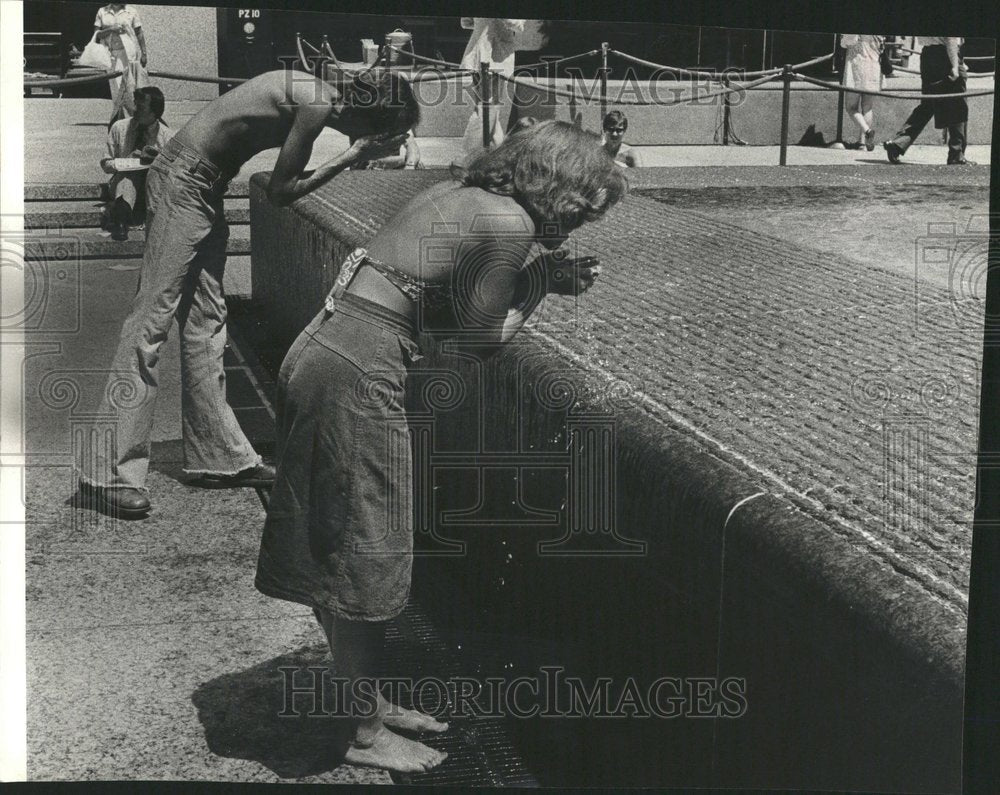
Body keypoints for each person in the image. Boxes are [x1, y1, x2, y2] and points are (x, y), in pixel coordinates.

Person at [255, 120, 626, 772]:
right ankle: (363, 732)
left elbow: (430, 304)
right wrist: (541, 282)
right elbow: (483, 340)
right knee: (370, 553)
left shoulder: (461, 193)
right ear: (566, 189)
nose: (573, 227)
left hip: (321, 345)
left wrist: (535, 274)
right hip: (358, 370)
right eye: (582, 211)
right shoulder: (511, 226)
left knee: (340, 541)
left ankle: (363, 700)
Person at [80, 68, 417, 520]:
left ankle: (219, 458)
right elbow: (281, 191)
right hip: (184, 182)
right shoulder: (315, 104)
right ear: (371, 121)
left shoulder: (318, 95)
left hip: (201, 185)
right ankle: (106, 473)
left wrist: (360, 145)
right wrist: (353, 153)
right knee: (150, 321)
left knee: (206, 320)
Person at [884, 36, 974, 165]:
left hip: (928, 56)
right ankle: (956, 154)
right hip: (946, 56)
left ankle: (898, 144)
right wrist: (955, 65)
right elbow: (950, 39)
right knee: (957, 105)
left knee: (928, 105)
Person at [459, 18, 543, 152]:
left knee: (490, 110)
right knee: (487, 109)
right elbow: (513, 23)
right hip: (494, 56)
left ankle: (501, 154)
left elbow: (466, 22)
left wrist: (486, 25)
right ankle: (466, 157)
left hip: (476, 55)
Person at [101, 86, 172, 241]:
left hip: (152, 187)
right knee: (128, 175)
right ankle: (121, 217)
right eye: (135, 104)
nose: (134, 110)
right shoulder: (119, 128)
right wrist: (128, 161)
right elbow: (106, 165)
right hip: (123, 184)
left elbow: (174, 171)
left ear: (154, 112)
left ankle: (122, 215)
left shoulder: (167, 136)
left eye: (140, 107)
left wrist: (157, 161)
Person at [93, 3, 148, 125]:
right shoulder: (102, 11)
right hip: (110, 53)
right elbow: (97, 35)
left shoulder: (131, 11)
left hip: (128, 54)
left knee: (130, 85)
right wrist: (111, 29)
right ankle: (120, 117)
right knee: (116, 87)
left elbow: (139, 32)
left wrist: (144, 53)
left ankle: (132, 116)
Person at [840, 34, 883, 150]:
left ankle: (867, 131)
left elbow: (846, 42)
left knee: (851, 107)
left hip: (857, 67)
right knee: (867, 107)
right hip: (874, 66)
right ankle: (863, 143)